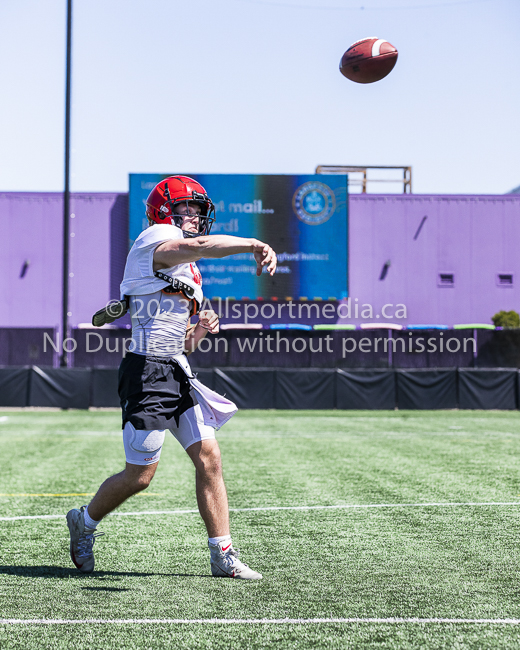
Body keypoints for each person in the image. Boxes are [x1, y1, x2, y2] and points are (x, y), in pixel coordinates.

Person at [66, 175, 277, 580]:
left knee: (209, 458)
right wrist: (253, 243)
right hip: (145, 371)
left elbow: (185, 342)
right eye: (187, 208)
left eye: (198, 210)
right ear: (165, 212)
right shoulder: (154, 239)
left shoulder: (191, 272)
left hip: (176, 369)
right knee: (140, 476)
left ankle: (222, 554)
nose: (195, 217)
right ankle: (85, 521)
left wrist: (201, 328)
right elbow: (195, 246)